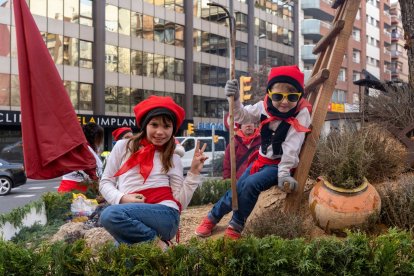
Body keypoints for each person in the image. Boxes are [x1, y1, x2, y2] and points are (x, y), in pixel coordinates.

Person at [195, 65, 312, 240]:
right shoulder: (263, 106)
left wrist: (284, 173)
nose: (285, 102)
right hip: (261, 161)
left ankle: (236, 223)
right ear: (270, 93)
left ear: (300, 96)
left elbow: (292, 146)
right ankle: (213, 216)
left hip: (280, 165)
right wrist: (234, 99)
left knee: (250, 184)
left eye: (292, 96)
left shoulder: (301, 113)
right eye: (278, 96)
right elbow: (241, 116)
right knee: (237, 187)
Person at [99, 95, 208, 249]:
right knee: (117, 254)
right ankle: (159, 247)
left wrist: (194, 172)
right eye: (154, 125)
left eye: (166, 126)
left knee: (110, 215)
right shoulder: (123, 147)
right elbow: (105, 182)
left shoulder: (173, 156)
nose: (160, 132)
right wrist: (122, 198)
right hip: (132, 216)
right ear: (145, 125)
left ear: (173, 129)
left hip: (165, 215)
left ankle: (160, 246)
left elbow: (179, 202)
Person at [58, 122, 104, 193]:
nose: (100, 141)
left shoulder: (76, 146)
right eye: (99, 138)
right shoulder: (86, 149)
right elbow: (94, 169)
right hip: (80, 188)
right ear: (94, 137)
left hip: (67, 185)